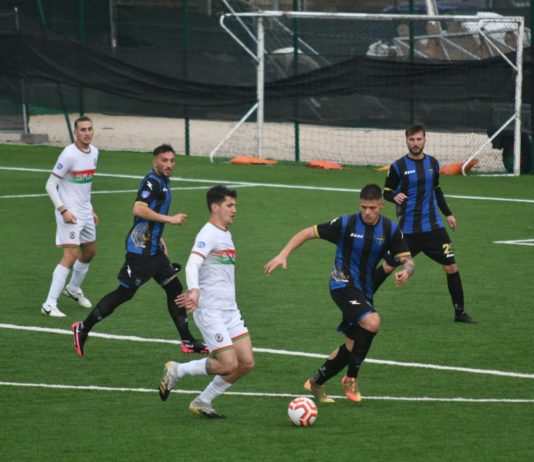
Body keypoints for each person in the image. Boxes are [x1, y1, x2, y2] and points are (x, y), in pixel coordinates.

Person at [264, 184, 414, 403]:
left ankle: (316, 382)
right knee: (372, 322)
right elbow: (309, 232)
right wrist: (283, 254)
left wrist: (407, 271)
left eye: (372, 208)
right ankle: (351, 378)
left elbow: (407, 260)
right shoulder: (346, 224)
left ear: (382, 205)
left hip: (364, 290)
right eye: (363, 207)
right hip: (341, 284)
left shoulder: (390, 229)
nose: (367, 212)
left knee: (352, 345)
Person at [71, 144, 207, 357]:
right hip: (141, 251)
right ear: (155, 161)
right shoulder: (152, 182)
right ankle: (83, 328)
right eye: (164, 160)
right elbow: (138, 209)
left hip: (153, 248)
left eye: (172, 161)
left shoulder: (163, 180)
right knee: (124, 293)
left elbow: (149, 216)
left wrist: (158, 236)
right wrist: (170, 220)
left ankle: (187, 340)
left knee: (174, 288)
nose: (169, 165)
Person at [158, 185, 254, 419]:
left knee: (246, 362)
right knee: (228, 364)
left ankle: (203, 401)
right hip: (210, 311)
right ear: (215, 207)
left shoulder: (225, 234)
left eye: (235, 205)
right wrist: (195, 290)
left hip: (230, 310)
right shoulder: (208, 234)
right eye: (229, 205)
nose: (234, 210)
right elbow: (192, 263)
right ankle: (177, 370)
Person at [375, 123, 476, 324]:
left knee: (451, 267)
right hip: (408, 231)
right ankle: (362, 303)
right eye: (411, 140)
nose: (415, 143)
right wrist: (394, 196)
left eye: (419, 139)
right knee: (388, 266)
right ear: (406, 140)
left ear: (424, 140)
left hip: (434, 229)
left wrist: (448, 214)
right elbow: (385, 192)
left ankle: (459, 312)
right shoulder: (397, 167)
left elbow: (436, 189)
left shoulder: (433, 163)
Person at [42, 116, 99, 318]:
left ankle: (73, 289)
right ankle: (49, 304)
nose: (87, 133)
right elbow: (50, 185)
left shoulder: (95, 152)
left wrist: (90, 210)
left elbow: (86, 186)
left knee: (90, 251)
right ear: (75, 133)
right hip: (69, 213)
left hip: (85, 210)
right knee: (71, 254)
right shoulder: (68, 154)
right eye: (82, 129)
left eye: (90, 129)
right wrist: (63, 210)